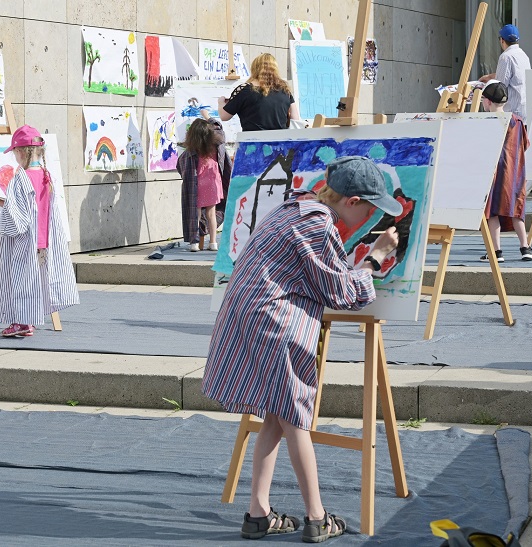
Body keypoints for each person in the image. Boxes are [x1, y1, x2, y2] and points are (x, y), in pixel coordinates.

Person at [202, 156, 401, 543]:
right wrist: (375, 258)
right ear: (354, 201)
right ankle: (317, 517)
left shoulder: (296, 208)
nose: (374, 218)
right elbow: (342, 292)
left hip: (254, 316)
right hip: (273, 321)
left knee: (277, 415)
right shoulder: (315, 223)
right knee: (296, 417)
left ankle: (258, 512)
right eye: (373, 209)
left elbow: (321, 269)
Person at [0, 125, 79, 337]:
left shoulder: (20, 178)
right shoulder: (45, 175)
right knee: (34, 282)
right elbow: (33, 208)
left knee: (19, 282)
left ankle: (21, 323)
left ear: (22, 152)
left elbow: (18, 218)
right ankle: (28, 322)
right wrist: (1, 202)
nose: (14, 157)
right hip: (43, 238)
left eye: (15, 152)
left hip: (24, 241)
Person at [480, 82, 532, 262]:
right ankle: (525, 247)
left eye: (482, 100)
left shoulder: (486, 122)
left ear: (488, 102)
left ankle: (496, 252)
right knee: (515, 210)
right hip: (515, 174)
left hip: (494, 174)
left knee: (492, 212)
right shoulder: (517, 121)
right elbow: (526, 145)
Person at [177, 111, 232, 251]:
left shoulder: (190, 152)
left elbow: (180, 166)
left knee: (195, 214)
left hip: (196, 186)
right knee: (211, 214)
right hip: (213, 184)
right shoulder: (215, 147)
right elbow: (220, 130)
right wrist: (209, 117)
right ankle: (213, 242)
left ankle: (194, 243)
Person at [217, 53, 301, 131]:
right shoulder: (285, 90)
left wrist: (221, 102)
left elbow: (224, 116)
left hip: (253, 144)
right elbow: (295, 119)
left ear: (254, 69)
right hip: (279, 144)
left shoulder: (245, 89)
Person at [479, 24, 530, 120]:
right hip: (524, 110)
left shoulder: (506, 57)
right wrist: (490, 76)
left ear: (502, 40)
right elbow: (515, 76)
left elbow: (499, 86)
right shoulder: (524, 56)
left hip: (510, 113)